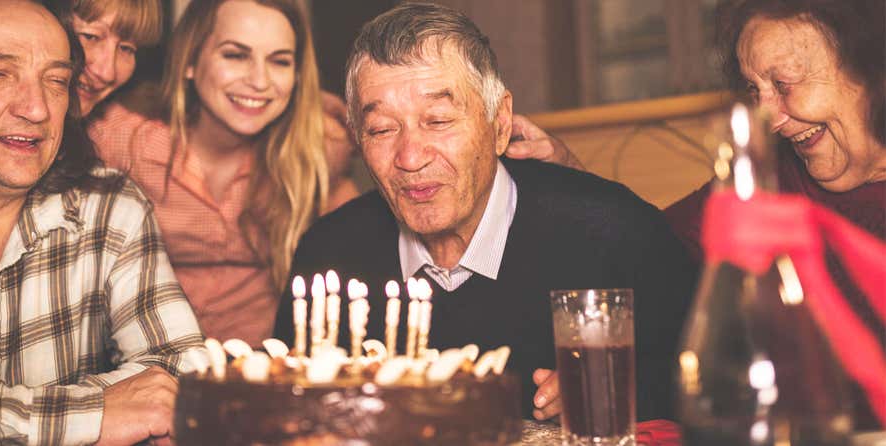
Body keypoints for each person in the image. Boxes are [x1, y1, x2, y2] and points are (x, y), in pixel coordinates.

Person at [273, 2, 697, 422]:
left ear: (499, 123)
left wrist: (617, 391)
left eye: (437, 120)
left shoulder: (613, 234)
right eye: (381, 129)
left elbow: (708, 383)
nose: (410, 156)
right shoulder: (329, 255)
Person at [0, 0, 204, 444]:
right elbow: (139, 402)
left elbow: (178, 371)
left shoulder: (112, 208)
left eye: (57, 81)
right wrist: (91, 416)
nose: (37, 109)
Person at [662, 0, 885, 428]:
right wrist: (576, 181)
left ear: (871, 71)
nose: (769, 119)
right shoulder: (774, 178)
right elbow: (652, 244)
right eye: (754, 90)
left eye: (783, 84)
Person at [89, 0, 359, 346]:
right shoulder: (119, 139)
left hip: (262, 369)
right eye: (235, 55)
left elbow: (358, 251)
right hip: (147, 366)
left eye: (279, 61)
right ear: (189, 60)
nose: (259, 81)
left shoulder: (318, 146)